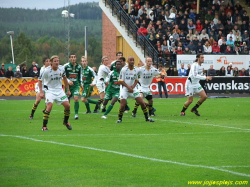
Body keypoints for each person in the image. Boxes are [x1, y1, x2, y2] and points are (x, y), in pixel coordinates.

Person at [116, 56, 154, 123]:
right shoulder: (124, 69)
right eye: (130, 60)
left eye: (133, 60)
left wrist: (132, 87)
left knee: (141, 102)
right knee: (122, 105)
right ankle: (119, 119)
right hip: (124, 89)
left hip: (133, 89)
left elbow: (137, 79)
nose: (132, 61)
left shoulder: (137, 69)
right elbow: (121, 80)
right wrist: (128, 87)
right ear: (128, 61)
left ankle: (147, 118)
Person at [38, 55, 72, 131]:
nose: (57, 62)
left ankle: (66, 122)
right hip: (50, 90)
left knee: (67, 106)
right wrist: (41, 92)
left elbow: (65, 79)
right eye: (55, 61)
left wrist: (68, 90)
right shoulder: (46, 70)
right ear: (51, 62)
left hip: (59, 90)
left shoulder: (61, 68)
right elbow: (40, 81)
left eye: (58, 61)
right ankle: (44, 126)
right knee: (49, 107)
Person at [64, 54, 83, 120]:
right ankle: (67, 113)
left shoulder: (79, 67)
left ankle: (76, 114)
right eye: (72, 57)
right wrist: (68, 81)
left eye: (74, 57)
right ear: (69, 58)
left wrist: (81, 84)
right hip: (68, 86)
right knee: (67, 101)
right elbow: (63, 75)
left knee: (76, 98)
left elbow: (80, 75)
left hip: (76, 85)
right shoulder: (66, 66)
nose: (73, 58)